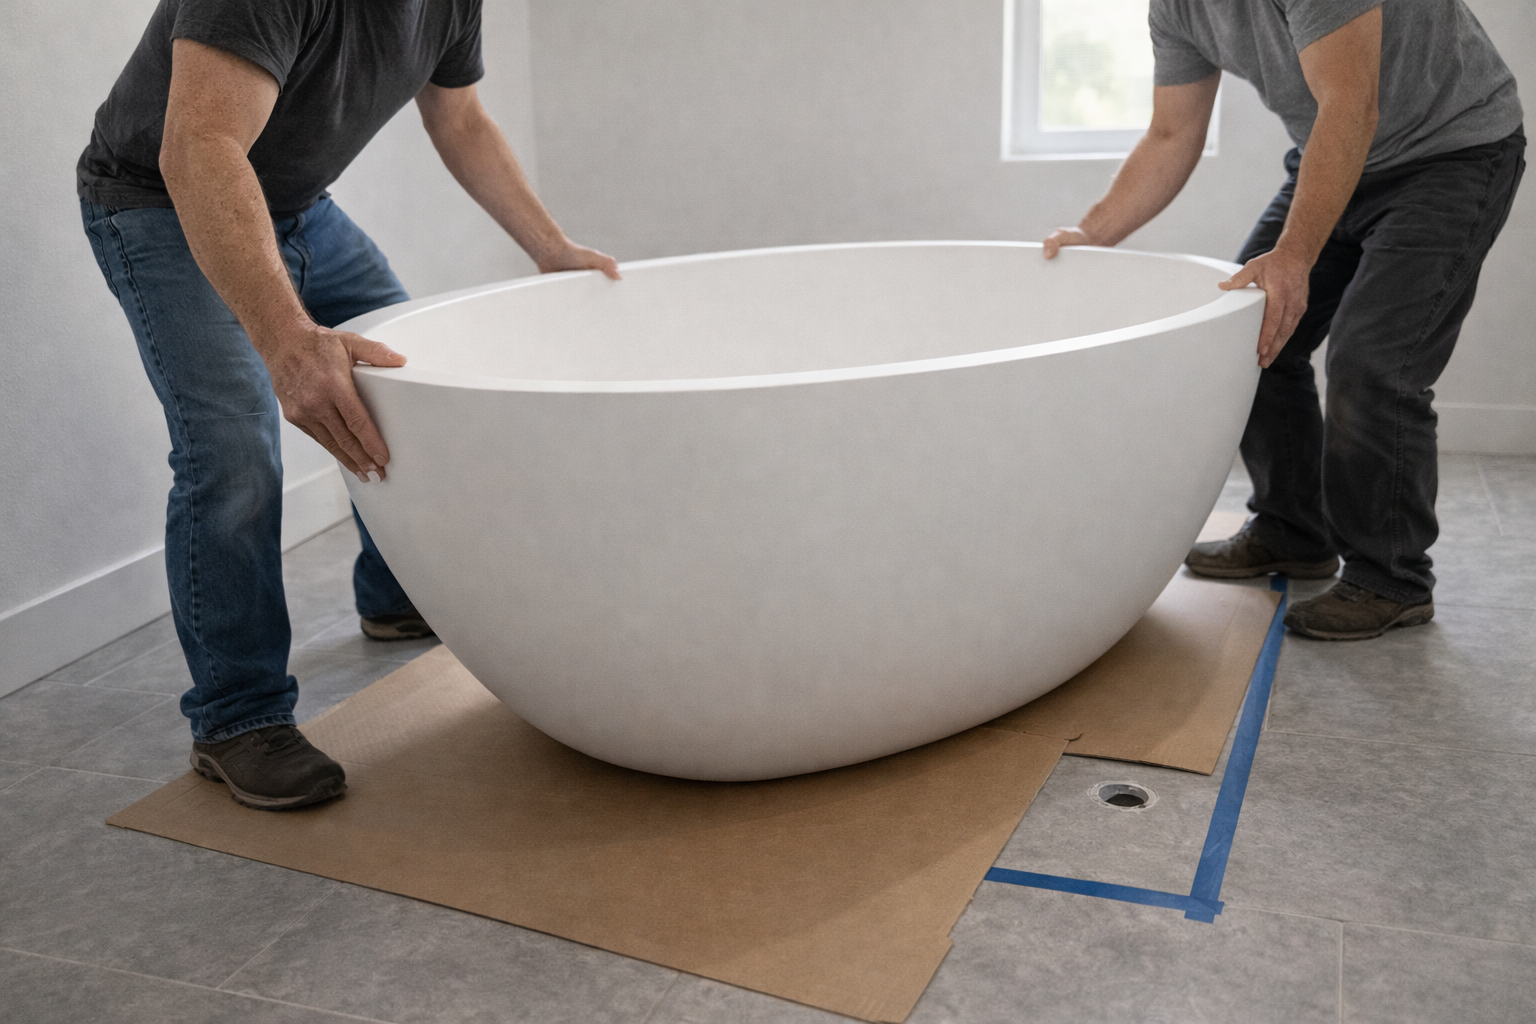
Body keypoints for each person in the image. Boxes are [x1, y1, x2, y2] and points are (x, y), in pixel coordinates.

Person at [78, 0, 619, 809]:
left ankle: (394, 595)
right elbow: (199, 147)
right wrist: (288, 338)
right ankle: (236, 719)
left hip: (298, 204)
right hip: (159, 200)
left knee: (407, 390)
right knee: (232, 452)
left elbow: (461, 118)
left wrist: (550, 249)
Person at [1043, 0, 1523, 641]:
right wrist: (1092, 233)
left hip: (1451, 154)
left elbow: (1351, 104)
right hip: (1336, 154)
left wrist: (1294, 257)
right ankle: (1292, 529)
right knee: (1250, 333)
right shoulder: (1175, 10)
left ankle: (1391, 578)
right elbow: (1171, 133)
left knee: (1371, 362)